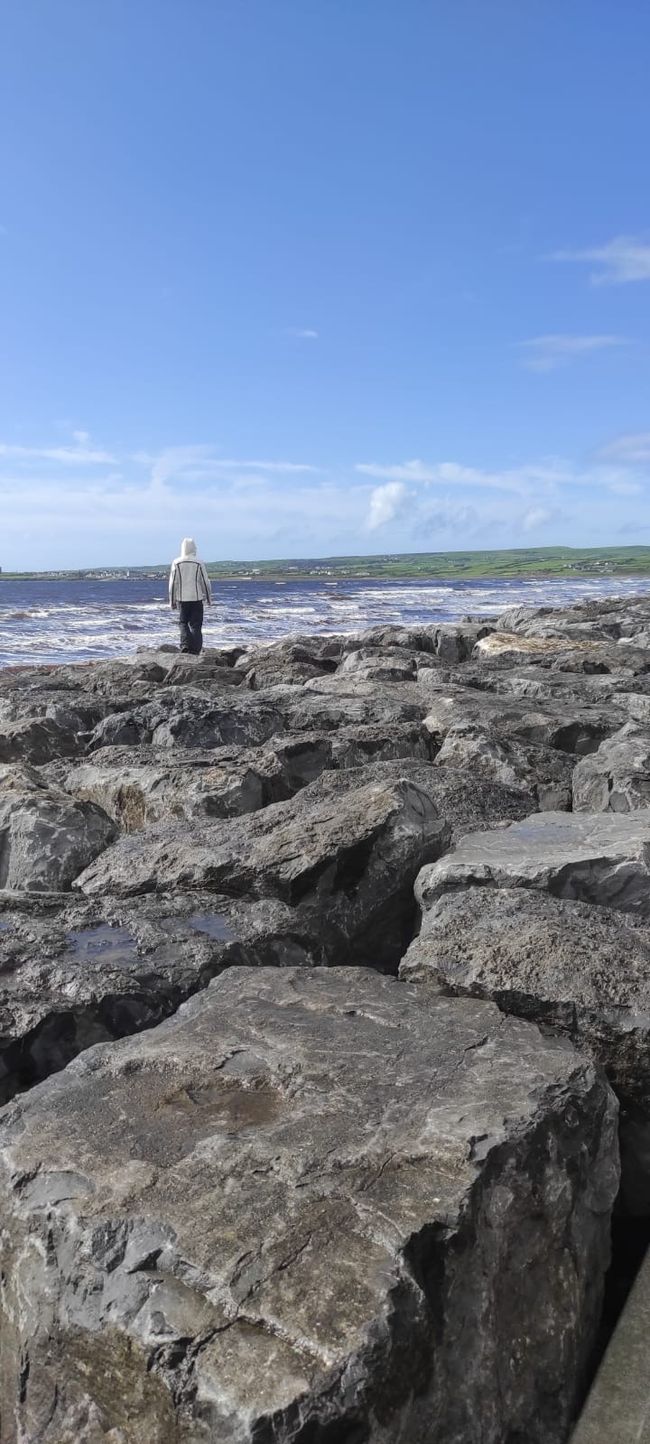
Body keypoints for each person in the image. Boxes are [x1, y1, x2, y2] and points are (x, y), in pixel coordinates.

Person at [168, 538, 212, 654]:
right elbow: (205, 582)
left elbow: (173, 583)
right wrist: (208, 598)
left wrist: (171, 600)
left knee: (183, 623)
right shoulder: (199, 562)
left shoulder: (176, 562)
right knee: (196, 625)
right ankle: (196, 649)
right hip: (197, 598)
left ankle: (185, 645)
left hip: (182, 599)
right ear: (193, 548)